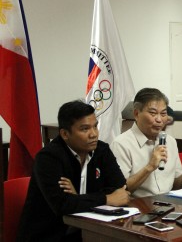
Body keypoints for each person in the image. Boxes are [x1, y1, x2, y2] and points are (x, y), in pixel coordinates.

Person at [17, 100, 130, 242]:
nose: (93, 134)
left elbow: (120, 188)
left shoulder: (102, 150)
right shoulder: (48, 158)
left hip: (89, 231)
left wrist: (78, 198)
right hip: (50, 235)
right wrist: (106, 198)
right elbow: (62, 206)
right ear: (65, 134)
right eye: (85, 129)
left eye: (95, 126)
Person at [110, 88, 182, 197]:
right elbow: (120, 191)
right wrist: (150, 167)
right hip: (138, 208)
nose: (159, 120)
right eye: (153, 113)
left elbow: (176, 186)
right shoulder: (121, 144)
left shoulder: (170, 141)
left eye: (163, 114)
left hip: (168, 205)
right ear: (136, 114)